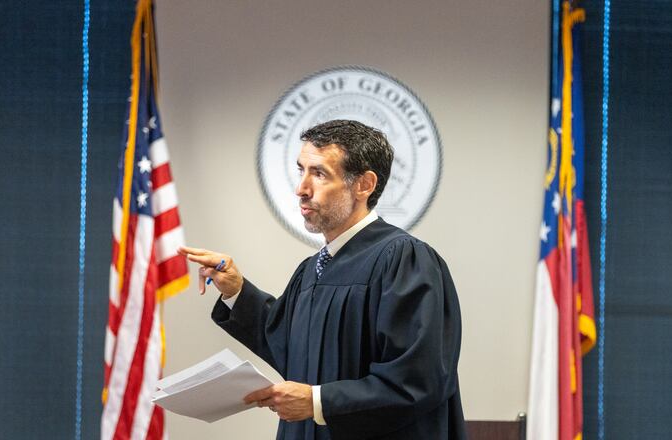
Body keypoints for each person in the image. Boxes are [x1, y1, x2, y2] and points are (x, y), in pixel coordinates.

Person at [179, 119, 466, 439]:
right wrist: (237, 291)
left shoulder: (403, 260)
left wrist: (318, 401)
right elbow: (291, 347)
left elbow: (416, 381)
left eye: (319, 174)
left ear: (364, 185)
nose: (301, 188)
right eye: (301, 170)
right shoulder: (313, 268)